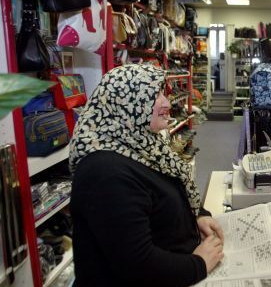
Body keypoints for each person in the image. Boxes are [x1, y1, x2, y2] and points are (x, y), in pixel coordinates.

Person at [68, 64, 224, 287]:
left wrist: (198, 215)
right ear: (127, 101)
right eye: (154, 95)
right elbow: (136, 265)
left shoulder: (141, 145)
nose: (167, 104)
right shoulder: (104, 173)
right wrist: (198, 264)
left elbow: (169, 188)